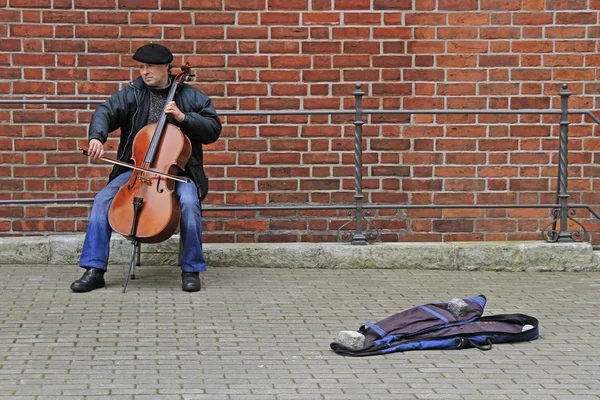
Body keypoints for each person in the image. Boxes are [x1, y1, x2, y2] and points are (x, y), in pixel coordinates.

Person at [70, 43, 222, 293]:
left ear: (166, 68)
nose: (144, 72)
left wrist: (185, 118)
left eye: (149, 66)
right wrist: (97, 137)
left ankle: (191, 269)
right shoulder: (133, 93)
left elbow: (213, 130)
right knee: (103, 199)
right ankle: (94, 270)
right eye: (141, 67)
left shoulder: (192, 96)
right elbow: (105, 111)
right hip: (137, 170)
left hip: (177, 173)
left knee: (190, 204)